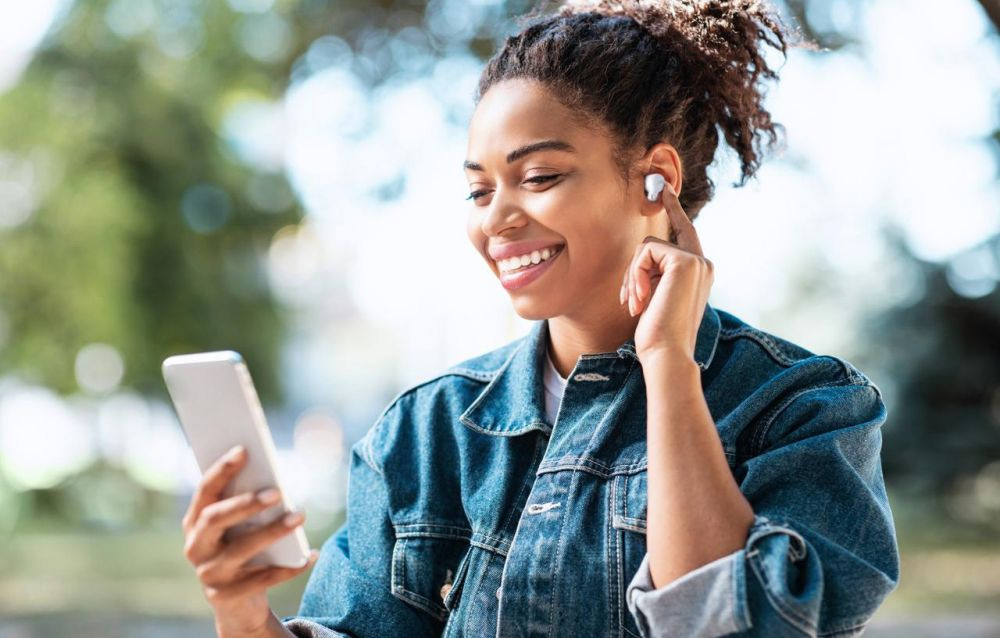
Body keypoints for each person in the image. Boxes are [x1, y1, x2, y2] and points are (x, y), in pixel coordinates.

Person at [181, 0, 901, 636]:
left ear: (659, 179)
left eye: (539, 177)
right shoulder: (427, 435)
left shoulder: (804, 410)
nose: (497, 218)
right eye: (478, 190)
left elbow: (730, 629)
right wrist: (242, 615)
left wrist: (670, 366)